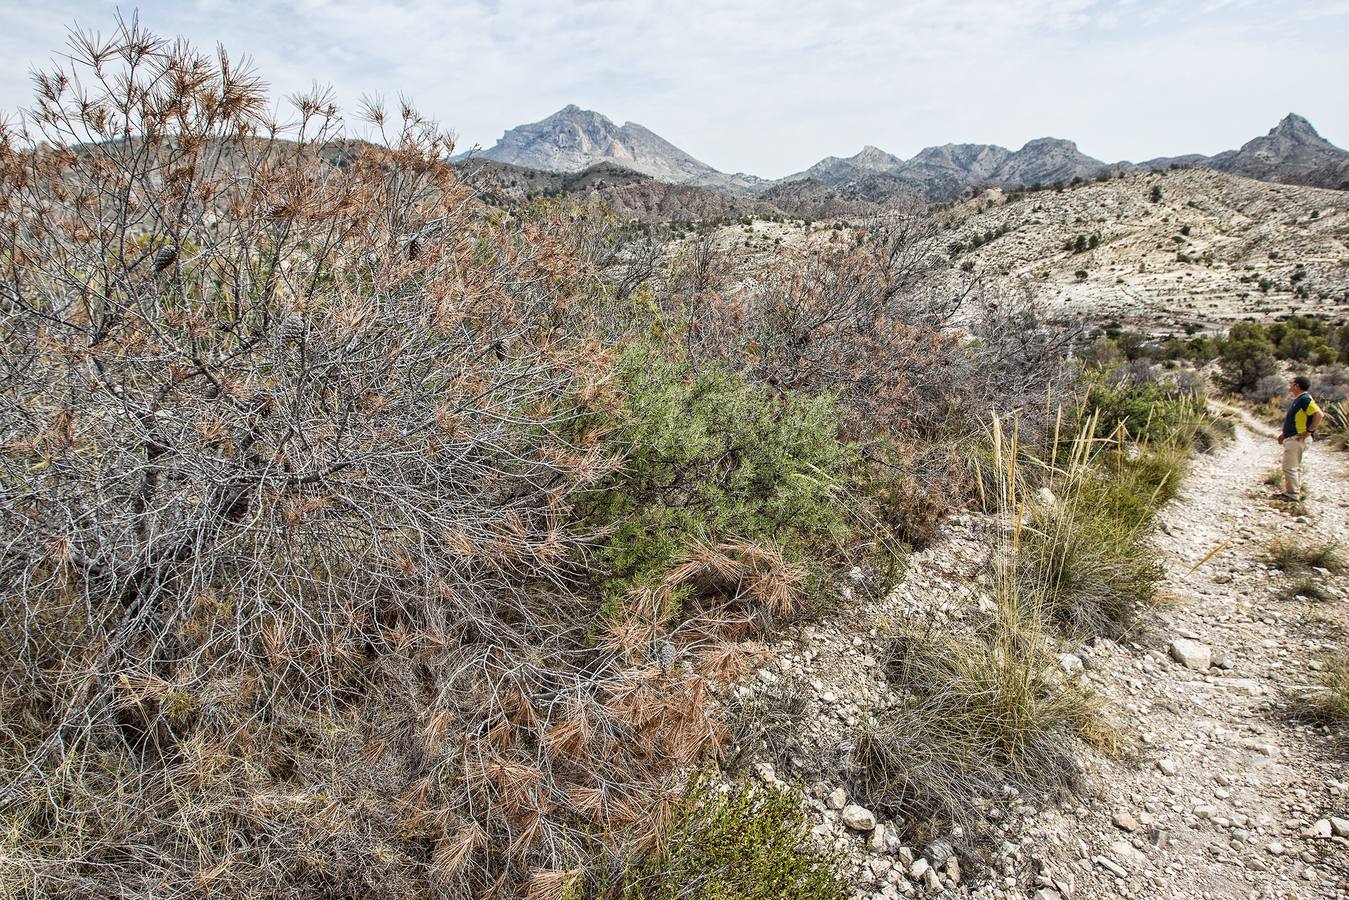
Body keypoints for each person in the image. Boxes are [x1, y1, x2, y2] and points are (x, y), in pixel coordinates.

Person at [1277, 375, 1323, 501]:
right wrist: (1284, 434)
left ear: (1296, 386)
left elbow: (1319, 415)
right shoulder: (1299, 399)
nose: (1290, 385)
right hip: (1292, 437)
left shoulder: (1304, 399)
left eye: (1291, 383)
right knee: (1292, 466)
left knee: (1289, 467)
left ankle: (1292, 495)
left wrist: (1309, 432)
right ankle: (1292, 493)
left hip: (1297, 439)